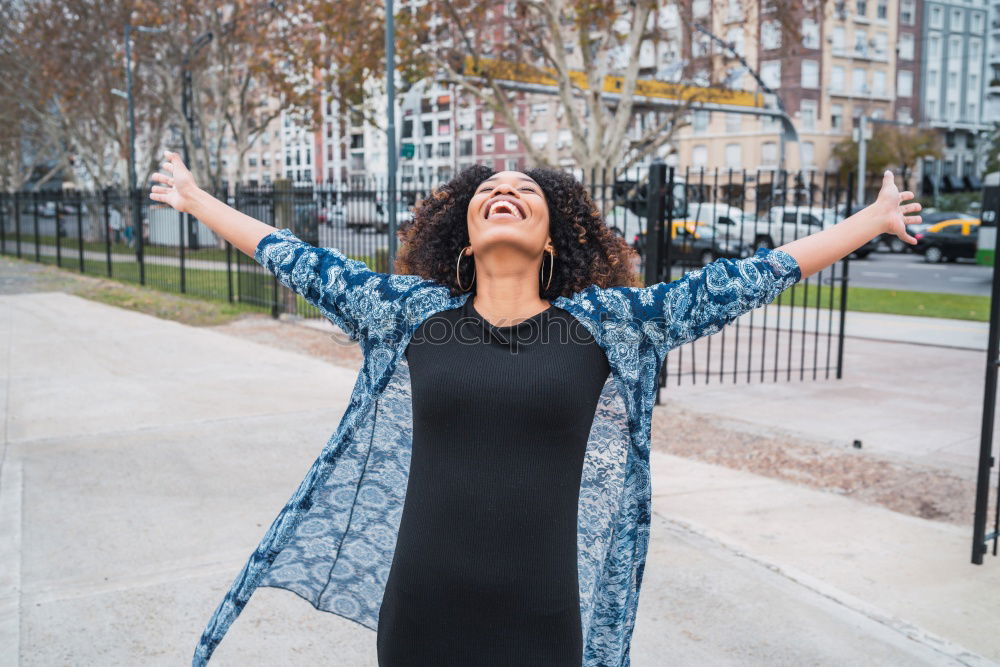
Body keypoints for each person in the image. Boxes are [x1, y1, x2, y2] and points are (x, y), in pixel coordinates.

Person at [149, 150, 920, 667]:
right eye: (488, 192)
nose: (505, 193)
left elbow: (753, 275)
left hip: (543, 621)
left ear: (552, 238)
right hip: (420, 613)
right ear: (465, 236)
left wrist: (873, 220)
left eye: (526, 191)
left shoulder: (614, 324)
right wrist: (194, 198)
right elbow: (291, 254)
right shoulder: (407, 312)